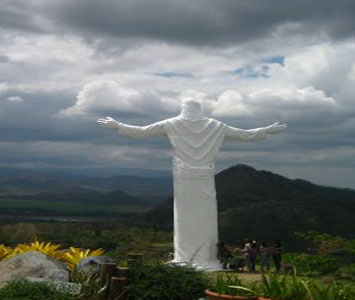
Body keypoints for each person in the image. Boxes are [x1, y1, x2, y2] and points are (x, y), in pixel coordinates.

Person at [97, 98, 286, 270]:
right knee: (201, 217)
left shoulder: (173, 123)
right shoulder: (215, 125)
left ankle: (187, 258)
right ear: (199, 109)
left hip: (184, 175)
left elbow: (141, 132)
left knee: (185, 217)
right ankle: (195, 258)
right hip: (203, 175)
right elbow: (244, 135)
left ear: (184, 108)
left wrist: (117, 125)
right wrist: (266, 130)